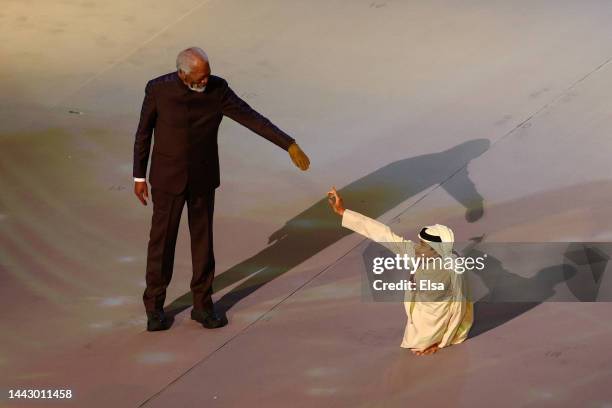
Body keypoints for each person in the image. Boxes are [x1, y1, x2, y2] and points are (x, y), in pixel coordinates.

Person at [133, 47, 310, 331]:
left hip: (203, 179)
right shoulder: (158, 90)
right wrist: (139, 177)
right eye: (200, 78)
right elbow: (143, 132)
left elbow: (251, 117)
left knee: (203, 246)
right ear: (182, 74)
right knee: (161, 245)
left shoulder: (218, 90)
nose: (205, 81)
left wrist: (287, 143)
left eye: (208, 75)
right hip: (167, 180)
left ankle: (203, 307)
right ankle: (154, 309)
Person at [327, 187, 473, 355]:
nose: (419, 247)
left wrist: (444, 341)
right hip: (420, 311)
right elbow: (383, 234)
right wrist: (343, 212)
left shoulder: (454, 267)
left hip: (439, 314)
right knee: (416, 341)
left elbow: (459, 306)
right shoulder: (416, 253)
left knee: (420, 343)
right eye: (421, 243)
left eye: (424, 244)